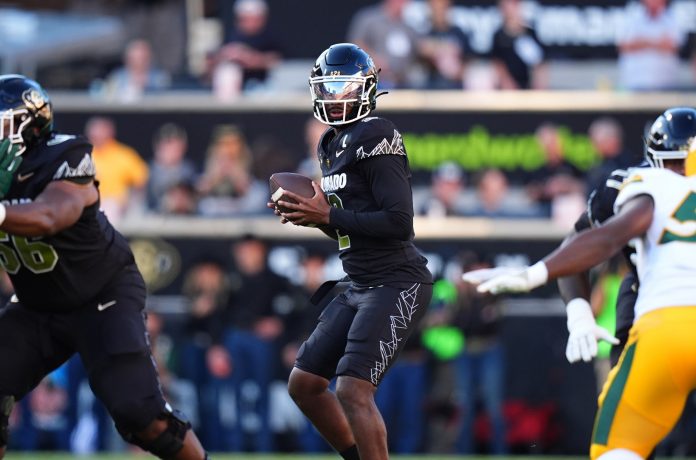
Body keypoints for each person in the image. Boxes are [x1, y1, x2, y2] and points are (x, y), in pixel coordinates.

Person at [463, 109, 696, 460]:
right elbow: (582, 241)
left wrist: (535, 273)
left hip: (664, 320)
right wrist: (579, 313)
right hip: (649, 308)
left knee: (617, 447)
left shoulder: (649, 183)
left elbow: (605, 238)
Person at [0, 74, 208, 459]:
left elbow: (50, 214)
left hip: (100, 295)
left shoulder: (64, 155)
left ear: (28, 127)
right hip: (37, 303)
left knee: (141, 417)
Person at [268, 43, 433, 460]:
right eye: (328, 86)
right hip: (359, 281)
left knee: (353, 388)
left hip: (395, 280)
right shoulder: (330, 143)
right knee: (304, 384)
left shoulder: (377, 133)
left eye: (342, 85)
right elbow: (352, 228)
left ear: (366, 87)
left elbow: (399, 223)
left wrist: (330, 215)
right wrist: (316, 218)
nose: (333, 95)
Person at [84, 116, 149, 223]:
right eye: (94, 134)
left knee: (109, 210)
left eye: (101, 132)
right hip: (88, 204)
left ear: (110, 133)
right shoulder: (83, 155)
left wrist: (130, 203)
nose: (97, 136)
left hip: (118, 206)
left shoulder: (123, 154)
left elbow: (141, 181)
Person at [347, 0, 425, 89]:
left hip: (403, 82)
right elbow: (355, 45)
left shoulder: (409, 25)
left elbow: (421, 46)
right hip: (374, 81)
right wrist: (373, 60)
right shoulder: (369, 19)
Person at [616, 0, 685, 91]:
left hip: (666, 84)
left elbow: (673, 47)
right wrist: (658, 43)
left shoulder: (674, 18)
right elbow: (624, 46)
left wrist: (642, 42)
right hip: (634, 83)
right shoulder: (630, 17)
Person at [491, 0, 547, 90]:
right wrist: (507, 83)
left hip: (528, 84)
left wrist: (538, 84)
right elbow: (498, 64)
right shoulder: (498, 35)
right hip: (508, 87)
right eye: (505, 6)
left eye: (513, 5)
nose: (510, 10)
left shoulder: (529, 33)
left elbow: (540, 63)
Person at [102, 39, 171, 103]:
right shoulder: (118, 77)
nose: (140, 62)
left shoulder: (159, 78)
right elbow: (108, 98)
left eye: (143, 58)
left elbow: (165, 99)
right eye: (136, 58)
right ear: (128, 59)